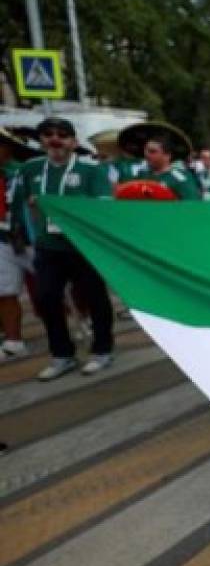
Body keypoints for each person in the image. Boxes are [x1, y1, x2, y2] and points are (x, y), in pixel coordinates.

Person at [10, 117, 117, 380]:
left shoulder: (91, 171)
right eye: (48, 134)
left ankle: (102, 350)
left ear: (73, 142)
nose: (55, 140)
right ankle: (62, 354)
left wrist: (62, 204)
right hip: (48, 247)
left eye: (62, 135)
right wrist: (18, 232)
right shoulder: (31, 169)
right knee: (46, 298)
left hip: (83, 247)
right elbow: (17, 203)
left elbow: (103, 209)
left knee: (94, 298)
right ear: (41, 140)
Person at [1, 127, 39, 361]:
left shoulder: (25, 172)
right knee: (5, 291)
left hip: (32, 240)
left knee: (53, 290)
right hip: (4, 240)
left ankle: (83, 323)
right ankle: (14, 341)